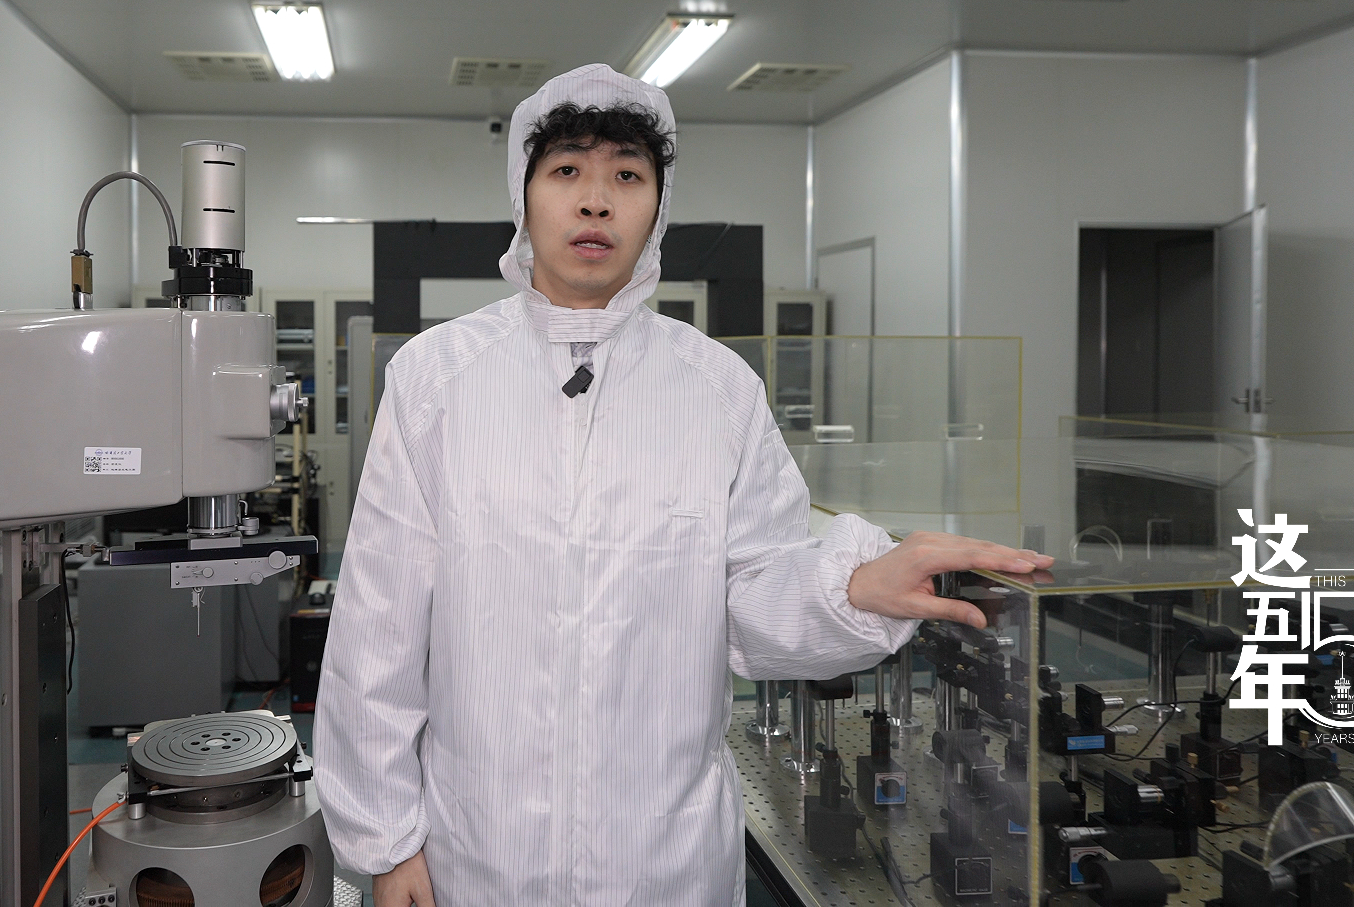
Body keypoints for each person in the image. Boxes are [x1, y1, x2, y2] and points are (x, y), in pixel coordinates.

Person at [312, 63, 1052, 906]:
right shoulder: (436, 381)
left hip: (664, 862)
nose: (596, 202)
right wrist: (387, 843)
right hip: (478, 854)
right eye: (567, 170)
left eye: (627, 176)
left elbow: (756, 593)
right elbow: (378, 627)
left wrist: (856, 588)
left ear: (658, 207)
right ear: (524, 195)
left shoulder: (717, 390)